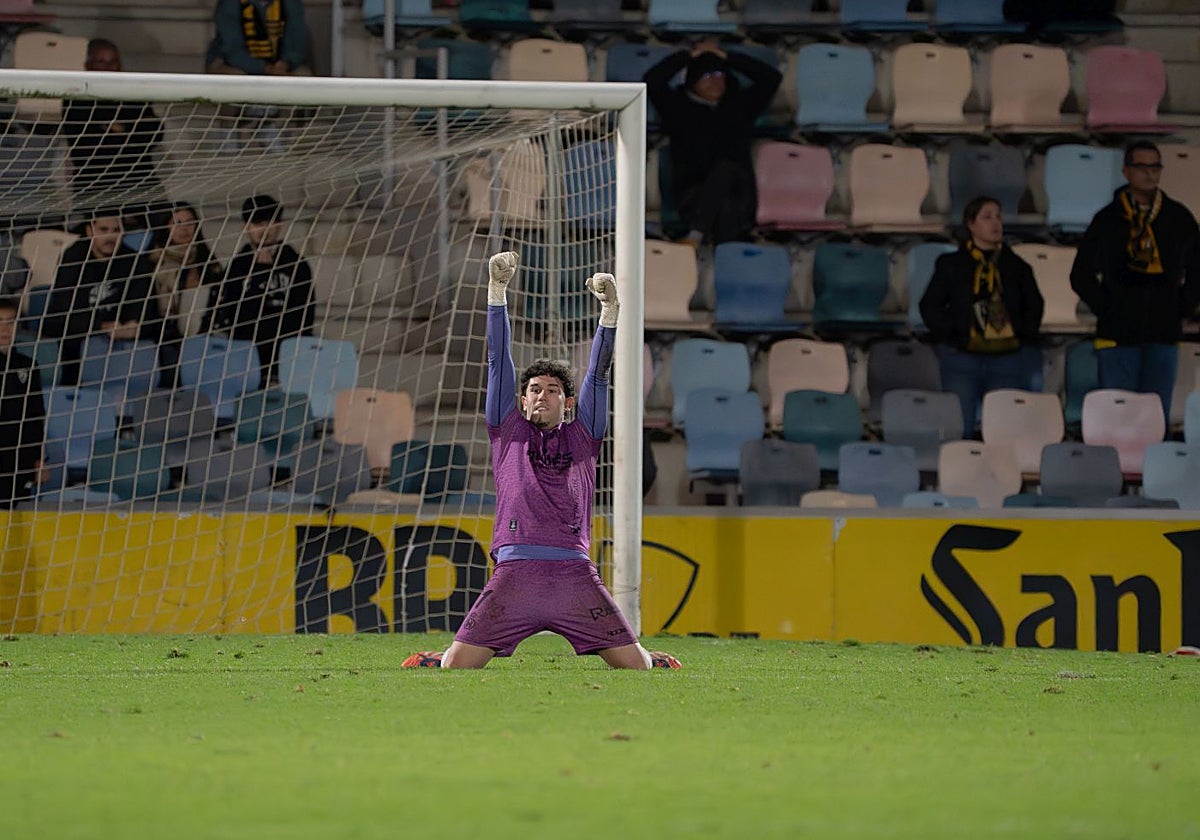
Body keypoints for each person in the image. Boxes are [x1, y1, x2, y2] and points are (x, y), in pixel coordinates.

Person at [402, 252, 681, 670]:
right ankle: (441, 655)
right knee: (454, 667)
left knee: (636, 669)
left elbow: (599, 376)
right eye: (533, 389)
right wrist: (497, 293)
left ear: (567, 402)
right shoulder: (507, 428)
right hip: (515, 575)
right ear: (522, 398)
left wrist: (609, 314)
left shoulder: (583, 434)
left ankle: (642, 654)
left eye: (552, 389)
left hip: (574, 574)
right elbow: (498, 360)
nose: (540, 395)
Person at [1070, 140, 1200, 422]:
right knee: (1117, 418)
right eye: (1142, 167)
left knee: (1154, 418)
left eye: (1155, 167)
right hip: (1118, 335)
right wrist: (1109, 307)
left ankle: (1152, 466)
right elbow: (1081, 274)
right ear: (1126, 171)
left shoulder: (1178, 218)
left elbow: (1197, 267)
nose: (1150, 174)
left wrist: (1183, 307)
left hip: (1163, 332)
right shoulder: (1107, 220)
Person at [920, 196, 1045, 438]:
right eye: (987, 217)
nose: (995, 223)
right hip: (962, 359)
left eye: (998, 216)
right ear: (971, 224)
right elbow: (931, 305)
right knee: (960, 428)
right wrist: (954, 335)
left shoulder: (1017, 266)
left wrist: (1021, 337)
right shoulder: (952, 264)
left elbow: (1034, 305)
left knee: (1004, 432)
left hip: (1007, 358)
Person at [644, 41, 781, 247]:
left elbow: (771, 78)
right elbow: (652, 81)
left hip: (740, 193)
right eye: (708, 76)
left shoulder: (740, 105)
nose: (716, 82)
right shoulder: (677, 107)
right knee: (724, 204)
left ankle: (694, 237)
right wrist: (688, 55)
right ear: (693, 80)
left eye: (720, 76)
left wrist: (728, 56)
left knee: (727, 170)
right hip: (692, 195)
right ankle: (723, 264)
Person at [42, 209, 176, 387]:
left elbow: (145, 308)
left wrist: (133, 326)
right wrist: (102, 326)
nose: (110, 237)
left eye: (116, 231)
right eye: (104, 230)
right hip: (79, 340)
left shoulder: (134, 261)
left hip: (123, 339)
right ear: (90, 231)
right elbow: (63, 313)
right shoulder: (73, 258)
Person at [206, 195, 314, 384]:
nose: (264, 230)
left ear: (279, 224)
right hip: (247, 355)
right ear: (247, 226)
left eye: (269, 222)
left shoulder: (296, 263)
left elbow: (304, 312)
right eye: (257, 223)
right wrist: (261, 274)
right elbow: (238, 314)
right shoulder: (238, 266)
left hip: (287, 353)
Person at [60, 39, 164, 205]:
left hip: (137, 175)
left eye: (113, 62)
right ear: (87, 65)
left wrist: (114, 130)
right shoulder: (76, 100)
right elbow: (85, 144)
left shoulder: (134, 96)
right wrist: (128, 132)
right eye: (101, 61)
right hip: (94, 180)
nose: (108, 67)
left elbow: (154, 132)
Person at [148, 202, 223, 341]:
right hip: (162, 339)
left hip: (204, 337)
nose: (184, 229)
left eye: (189, 223)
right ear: (166, 227)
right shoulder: (153, 263)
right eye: (177, 223)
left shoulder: (208, 261)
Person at [0, 297, 45, 508]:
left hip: (19, 462)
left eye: (10, 321)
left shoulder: (28, 366)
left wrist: (38, 459)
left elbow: (35, 416)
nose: (4, 328)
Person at [205, 0, 311, 76]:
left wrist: (285, 63)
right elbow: (231, 49)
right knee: (237, 80)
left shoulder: (292, 3)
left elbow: (298, 42)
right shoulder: (229, 4)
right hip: (233, 64)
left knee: (304, 77)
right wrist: (264, 68)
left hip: (280, 66)